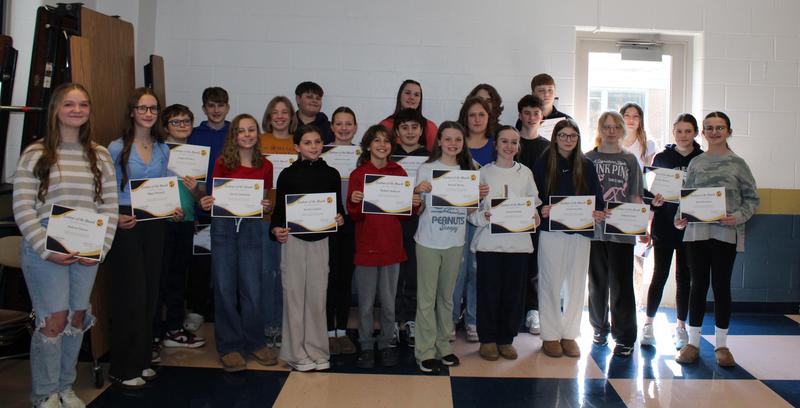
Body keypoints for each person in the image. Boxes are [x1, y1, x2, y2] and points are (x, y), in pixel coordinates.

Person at [13, 83, 118, 408]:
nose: (76, 110)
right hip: (47, 247)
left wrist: (100, 249)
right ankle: (45, 394)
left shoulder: (99, 154)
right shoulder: (36, 153)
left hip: (87, 245)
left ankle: (65, 386)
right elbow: (23, 208)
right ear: (56, 110)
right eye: (69, 104)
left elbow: (109, 206)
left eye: (83, 104)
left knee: (76, 318)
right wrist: (46, 249)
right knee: (54, 320)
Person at [108, 88, 183, 388]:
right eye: (143, 108)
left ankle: (141, 359)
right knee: (132, 292)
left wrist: (174, 209)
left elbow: (166, 186)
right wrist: (114, 215)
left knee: (152, 290)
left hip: (156, 222)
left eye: (153, 109)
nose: (149, 113)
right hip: (127, 222)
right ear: (132, 111)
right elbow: (107, 188)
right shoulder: (116, 148)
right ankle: (123, 367)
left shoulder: (163, 148)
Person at [674, 111, 759, 367]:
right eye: (709, 128)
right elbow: (685, 198)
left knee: (721, 287)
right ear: (704, 132)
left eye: (719, 127)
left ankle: (722, 345)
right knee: (697, 286)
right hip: (697, 235)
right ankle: (693, 343)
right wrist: (679, 218)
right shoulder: (696, 163)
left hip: (725, 234)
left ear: (728, 131)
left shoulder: (738, 163)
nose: (714, 132)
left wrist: (738, 216)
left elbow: (752, 199)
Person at [199, 113, 276, 372]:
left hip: (251, 228)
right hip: (223, 228)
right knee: (224, 287)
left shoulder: (265, 165)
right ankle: (229, 346)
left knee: (253, 288)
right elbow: (213, 197)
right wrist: (206, 202)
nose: (246, 135)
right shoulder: (222, 162)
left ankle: (255, 342)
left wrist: (266, 205)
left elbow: (265, 202)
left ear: (257, 134)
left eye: (251, 130)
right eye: (241, 131)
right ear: (234, 136)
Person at [413, 121, 488, 373]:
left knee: (446, 298)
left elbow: (469, 213)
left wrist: (479, 197)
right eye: (448, 139)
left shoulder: (471, 170)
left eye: (458, 139)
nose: (453, 144)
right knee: (426, 299)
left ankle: (443, 346)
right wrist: (417, 193)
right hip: (428, 241)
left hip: (455, 242)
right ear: (440, 141)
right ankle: (424, 351)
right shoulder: (426, 169)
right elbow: (418, 208)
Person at [270, 125, 345, 372]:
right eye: (307, 142)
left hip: (320, 241)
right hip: (293, 241)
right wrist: (276, 230)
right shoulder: (287, 175)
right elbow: (278, 214)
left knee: (316, 296)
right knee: (293, 296)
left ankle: (317, 349)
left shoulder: (331, 174)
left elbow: (339, 211)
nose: (313, 147)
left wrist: (339, 219)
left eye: (317, 142)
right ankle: (294, 353)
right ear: (297, 147)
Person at [348, 125, 419, 368]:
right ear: (368, 146)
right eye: (376, 140)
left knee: (389, 304)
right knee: (366, 304)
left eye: (386, 141)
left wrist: (414, 204)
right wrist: (355, 202)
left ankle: (387, 343)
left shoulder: (398, 172)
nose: (381, 145)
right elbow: (354, 215)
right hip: (367, 249)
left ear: (392, 146)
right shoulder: (359, 174)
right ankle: (366, 345)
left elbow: (404, 215)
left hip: (391, 249)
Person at [534, 119, 604, 358]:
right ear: (555, 137)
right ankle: (551, 335)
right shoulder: (543, 162)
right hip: (552, 231)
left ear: (578, 138)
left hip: (581, 232)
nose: (567, 140)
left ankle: (569, 334)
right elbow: (535, 197)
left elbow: (598, 200)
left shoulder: (587, 164)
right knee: (550, 283)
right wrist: (542, 208)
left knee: (576, 284)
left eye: (572, 135)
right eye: (563, 135)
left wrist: (598, 212)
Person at [469, 126, 540, 361]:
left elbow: (534, 209)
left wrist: (535, 217)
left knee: (513, 294)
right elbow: (472, 213)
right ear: (495, 145)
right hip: (489, 245)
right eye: (504, 141)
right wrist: (484, 217)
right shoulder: (483, 173)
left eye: (513, 142)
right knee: (488, 293)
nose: (509, 146)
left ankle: (506, 339)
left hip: (518, 246)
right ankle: (487, 339)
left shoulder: (526, 173)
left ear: (518, 147)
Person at [640, 114, 703, 350]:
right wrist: (655, 203)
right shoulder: (662, 157)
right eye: (679, 131)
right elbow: (651, 195)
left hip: (690, 228)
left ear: (695, 133)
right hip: (665, 226)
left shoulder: (702, 158)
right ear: (673, 132)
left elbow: (704, 196)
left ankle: (680, 328)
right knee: (659, 275)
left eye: (688, 131)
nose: (683, 135)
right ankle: (648, 325)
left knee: (684, 279)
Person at [585, 111, 644, 358]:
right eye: (606, 127)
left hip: (622, 231)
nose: (610, 131)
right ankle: (599, 328)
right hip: (594, 231)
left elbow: (635, 196)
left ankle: (625, 336)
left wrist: (641, 228)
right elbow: (582, 195)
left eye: (615, 127)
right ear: (600, 129)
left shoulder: (630, 160)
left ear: (622, 130)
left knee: (621, 284)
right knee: (596, 282)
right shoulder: (588, 158)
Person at [154, 104, 206, 352]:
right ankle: (154, 333)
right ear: (165, 127)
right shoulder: (158, 152)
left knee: (177, 279)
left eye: (187, 121)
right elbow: (149, 189)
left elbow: (200, 197)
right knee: (159, 279)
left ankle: (174, 329)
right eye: (176, 122)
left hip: (185, 222)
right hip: (162, 222)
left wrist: (195, 189)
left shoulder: (196, 155)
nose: (183, 125)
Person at [185, 86, 231, 333]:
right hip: (202, 210)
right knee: (201, 264)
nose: (216, 110)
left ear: (227, 107)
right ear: (204, 108)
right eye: (211, 105)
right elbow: (191, 175)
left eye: (220, 105)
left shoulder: (235, 133)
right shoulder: (194, 135)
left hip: (230, 211)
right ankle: (196, 310)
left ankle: (228, 309)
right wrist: (198, 199)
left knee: (228, 264)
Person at [453, 96, 494, 343]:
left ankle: (472, 319)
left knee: (477, 270)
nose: (477, 119)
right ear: (465, 118)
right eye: (472, 115)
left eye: (481, 114)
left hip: (484, 216)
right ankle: (450, 320)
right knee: (457, 270)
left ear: (489, 118)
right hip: (457, 215)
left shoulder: (495, 145)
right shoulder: (456, 143)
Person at [260, 95, 298, 350]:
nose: (281, 116)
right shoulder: (260, 142)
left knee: (288, 275)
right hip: (263, 218)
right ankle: (269, 326)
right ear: (269, 116)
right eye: (275, 112)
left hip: (293, 220)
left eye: (285, 112)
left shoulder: (299, 143)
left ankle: (286, 326)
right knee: (267, 273)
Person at [391, 108, 429, 347]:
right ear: (396, 132)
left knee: (415, 272)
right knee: (395, 274)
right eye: (404, 127)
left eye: (414, 127)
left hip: (420, 221)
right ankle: (395, 320)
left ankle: (413, 320)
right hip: (394, 222)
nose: (410, 132)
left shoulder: (430, 158)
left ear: (422, 131)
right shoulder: (388, 155)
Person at [516, 94, 550, 335]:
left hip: (537, 214)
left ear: (542, 116)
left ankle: (533, 310)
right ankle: (515, 310)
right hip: (510, 213)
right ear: (520, 115)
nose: (531, 117)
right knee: (514, 262)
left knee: (535, 264)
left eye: (535, 113)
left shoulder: (548, 147)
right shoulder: (510, 141)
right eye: (526, 113)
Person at [326, 107, 358, 356]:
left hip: (352, 223)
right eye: (339, 124)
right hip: (327, 223)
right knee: (328, 278)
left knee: (345, 278)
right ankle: (327, 332)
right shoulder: (322, 152)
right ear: (332, 126)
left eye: (349, 124)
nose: (344, 128)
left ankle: (342, 331)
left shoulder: (361, 156)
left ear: (355, 127)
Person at [379, 79, 439, 151]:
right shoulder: (385, 125)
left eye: (416, 95)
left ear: (420, 101)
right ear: (399, 97)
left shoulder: (429, 126)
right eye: (407, 93)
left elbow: (435, 157)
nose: (412, 97)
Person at [620, 102, 656, 169]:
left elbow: (647, 175)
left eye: (636, 116)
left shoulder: (649, 145)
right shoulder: (612, 144)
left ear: (640, 121)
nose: (631, 120)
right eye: (627, 116)